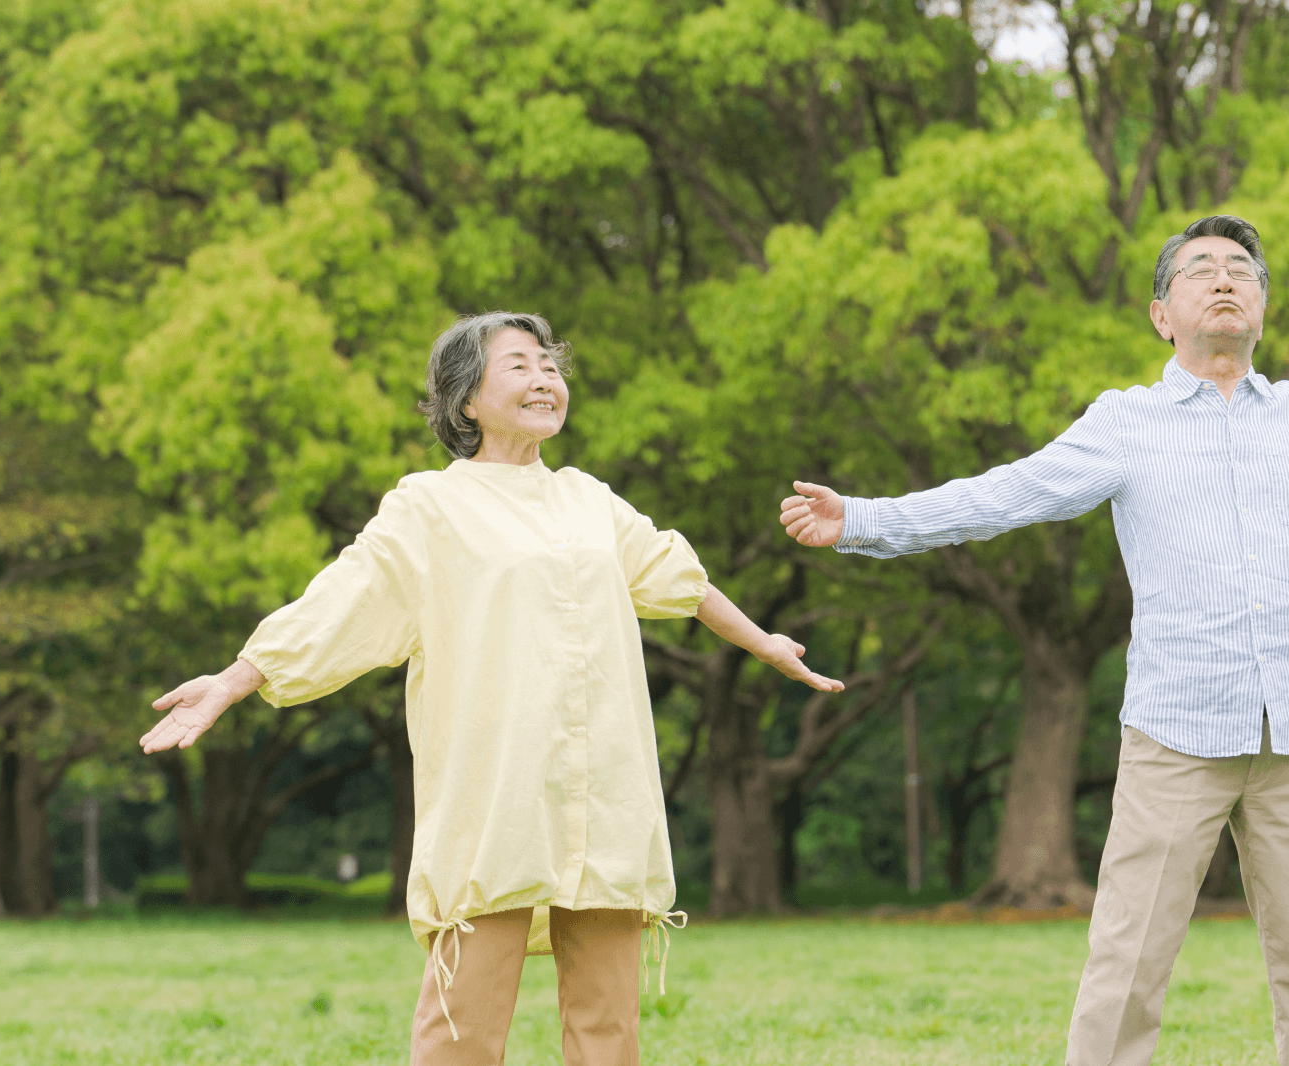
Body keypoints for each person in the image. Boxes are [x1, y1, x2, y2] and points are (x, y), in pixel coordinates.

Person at [777, 215, 1289, 1066]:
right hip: (1175, 734)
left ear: (1261, 307)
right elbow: (1004, 495)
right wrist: (864, 521)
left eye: (1241, 270)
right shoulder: (1124, 423)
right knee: (1128, 966)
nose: (1224, 279)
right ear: (1161, 314)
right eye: (1201, 269)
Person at [139, 311, 842, 1066]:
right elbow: (339, 603)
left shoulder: (588, 498)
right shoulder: (428, 508)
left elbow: (683, 578)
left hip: (604, 791)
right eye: (519, 365)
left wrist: (765, 643)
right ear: (465, 400)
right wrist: (236, 679)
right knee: (462, 1029)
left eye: (550, 365)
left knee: (609, 1029)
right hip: (495, 799)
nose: (544, 379)